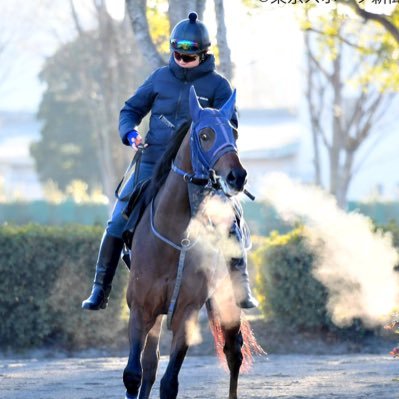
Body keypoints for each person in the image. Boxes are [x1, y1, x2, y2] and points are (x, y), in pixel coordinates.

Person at [82, 12, 258, 311]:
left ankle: (241, 289)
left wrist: (217, 162)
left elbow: (230, 127)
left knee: (230, 221)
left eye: (188, 57)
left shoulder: (218, 86)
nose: (181, 61)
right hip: (151, 163)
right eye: (177, 55)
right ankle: (100, 289)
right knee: (116, 222)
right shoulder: (159, 78)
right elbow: (130, 110)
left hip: (201, 173)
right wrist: (130, 134)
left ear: (204, 55)